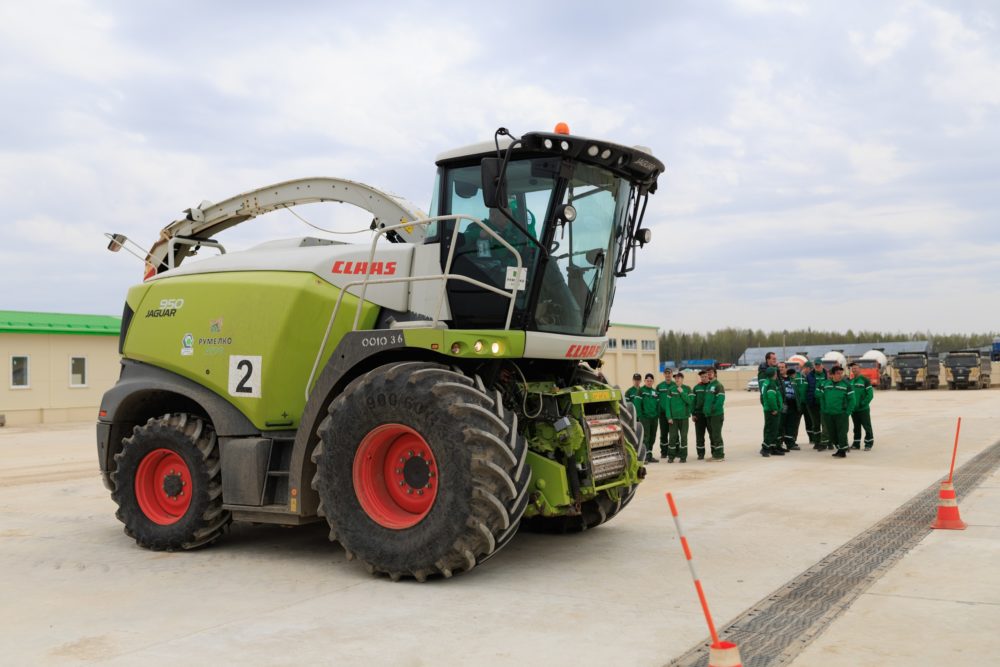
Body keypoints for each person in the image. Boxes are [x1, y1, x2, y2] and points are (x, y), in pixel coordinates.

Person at [818, 365, 855, 458]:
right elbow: (822, 397)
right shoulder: (826, 384)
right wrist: (824, 409)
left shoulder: (846, 385)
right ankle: (840, 449)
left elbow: (852, 400)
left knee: (842, 433)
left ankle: (842, 451)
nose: (840, 375)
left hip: (841, 414)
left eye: (841, 373)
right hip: (828, 414)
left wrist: (847, 412)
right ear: (832, 375)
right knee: (832, 434)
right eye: (838, 373)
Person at [665, 371, 694, 463]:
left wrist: (682, 392)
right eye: (676, 378)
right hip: (673, 418)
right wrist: (669, 417)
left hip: (684, 417)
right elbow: (667, 405)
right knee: (672, 437)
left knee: (683, 437)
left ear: (682, 379)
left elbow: (690, 402)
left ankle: (683, 456)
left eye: (678, 378)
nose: (677, 379)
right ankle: (671, 456)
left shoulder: (687, 389)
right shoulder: (671, 389)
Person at [849, 362, 875, 450]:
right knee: (856, 427)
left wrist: (862, 403)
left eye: (855, 368)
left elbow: (870, 394)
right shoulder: (851, 381)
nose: (854, 370)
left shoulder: (865, 380)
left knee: (867, 426)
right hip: (854, 410)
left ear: (860, 369)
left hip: (863, 409)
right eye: (853, 368)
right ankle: (856, 444)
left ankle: (868, 443)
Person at [702, 368, 726, 461]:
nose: (709, 374)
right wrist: (706, 410)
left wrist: (712, 409)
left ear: (715, 374)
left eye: (711, 373)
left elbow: (720, 401)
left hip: (716, 414)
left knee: (716, 434)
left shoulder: (718, 385)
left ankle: (720, 455)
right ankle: (715, 454)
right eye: (708, 373)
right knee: (712, 435)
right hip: (709, 415)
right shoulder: (709, 386)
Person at [759, 367, 784, 457]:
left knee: (772, 429)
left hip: (768, 409)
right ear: (774, 374)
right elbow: (771, 397)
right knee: (772, 430)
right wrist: (775, 409)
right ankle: (765, 448)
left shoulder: (766, 382)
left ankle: (773, 448)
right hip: (771, 410)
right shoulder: (771, 384)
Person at [639, 373, 660, 463]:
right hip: (645, 418)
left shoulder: (655, 392)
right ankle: (644, 457)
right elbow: (637, 404)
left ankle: (650, 455)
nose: (649, 382)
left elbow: (658, 405)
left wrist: (657, 415)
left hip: (654, 418)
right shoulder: (641, 391)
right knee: (645, 437)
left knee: (652, 437)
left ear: (653, 382)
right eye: (647, 381)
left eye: (651, 381)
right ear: (644, 381)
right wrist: (641, 415)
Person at [812, 358, 831, 450]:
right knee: (816, 424)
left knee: (826, 423)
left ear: (822, 365)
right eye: (816, 365)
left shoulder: (827, 375)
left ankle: (828, 442)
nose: (817, 367)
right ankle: (817, 442)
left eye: (819, 365)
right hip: (814, 403)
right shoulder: (810, 375)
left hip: (826, 403)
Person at [691, 370, 710, 460]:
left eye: (705, 376)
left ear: (708, 376)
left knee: (713, 435)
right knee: (699, 436)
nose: (704, 378)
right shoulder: (696, 388)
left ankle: (715, 453)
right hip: (699, 415)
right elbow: (693, 402)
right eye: (702, 377)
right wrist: (693, 414)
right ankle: (700, 454)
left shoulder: (712, 386)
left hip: (710, 415)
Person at [784, 367, 805, 450]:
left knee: (788, 425)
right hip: (792, 407)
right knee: (791, 426)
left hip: (787, 407)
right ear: (793, 375)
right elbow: (797, 395)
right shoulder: (793, 382)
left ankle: (790, 442)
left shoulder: (785, 381)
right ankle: (790, 443)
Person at [655, 369, 674, 460]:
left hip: (673, 414)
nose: (668, 375)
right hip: (662, 414)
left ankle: (675, 451)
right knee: (663, 433)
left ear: (672, 374)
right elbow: (656, 400)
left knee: (674, 433)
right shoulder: (659, 386)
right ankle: (664, 452)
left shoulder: (675, 385)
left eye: (669, 373)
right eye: (666, 374)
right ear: (663, 375)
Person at [800, 361, 819, 445]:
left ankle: (813, 438)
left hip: (809, 402)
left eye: (810, 368)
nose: (808, 370)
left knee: (811, 421)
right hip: (801, 403)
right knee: (807, 422)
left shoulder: (811, 376)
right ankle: (811, 438)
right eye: (806, 368)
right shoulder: (799, 376)